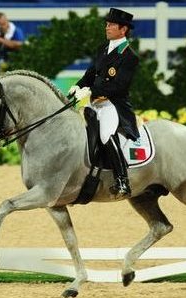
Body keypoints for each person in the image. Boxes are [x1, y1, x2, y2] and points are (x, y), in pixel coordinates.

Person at [69, 7, 139, 199]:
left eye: (111, 25)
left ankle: (122, 180)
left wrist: (91, 91)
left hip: (113, 105)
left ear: (123, 29)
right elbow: (91, 74)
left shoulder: (129, 56)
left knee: (106, 134)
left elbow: (119, 87)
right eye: (107, 24)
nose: (107, 27)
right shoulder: (103, 48)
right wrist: (78, 86)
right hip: (94, 102)